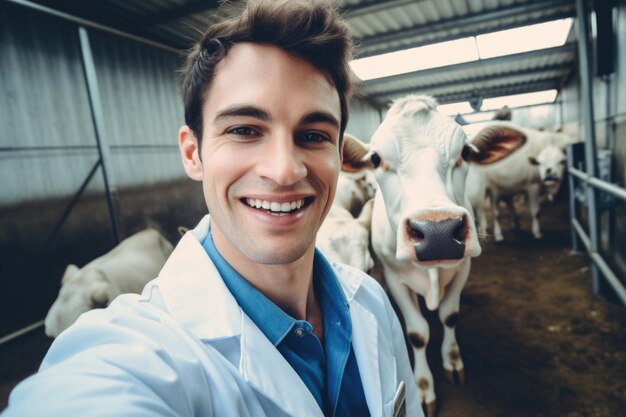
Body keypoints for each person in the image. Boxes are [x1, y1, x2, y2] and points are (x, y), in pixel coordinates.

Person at [2, 1, 422, 416]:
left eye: (313, 135)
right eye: (243, 130)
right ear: (193, 153)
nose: (284, 170)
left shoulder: (370, 301)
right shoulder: (139, 353)